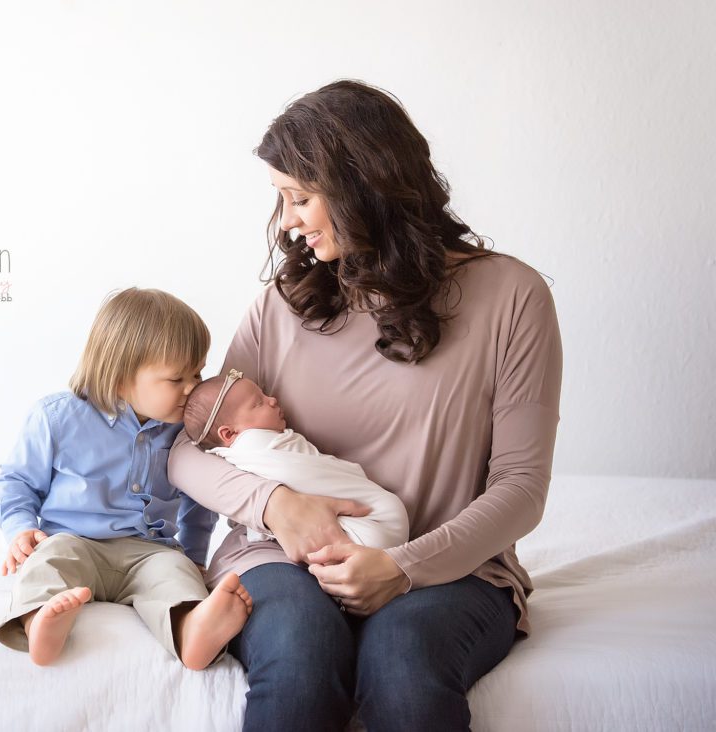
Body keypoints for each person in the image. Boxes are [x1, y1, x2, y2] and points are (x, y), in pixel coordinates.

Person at [168, 80, 562, 731]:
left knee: (404, 669)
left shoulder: (512, 298)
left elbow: (522, 486)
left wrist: (403, 568)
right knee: (298, 662)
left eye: (300, 197)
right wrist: (275, 506)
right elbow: (184, 448)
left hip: (450, 569)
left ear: (364, 186)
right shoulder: (284, 305)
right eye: (281, 200)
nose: (287, 221)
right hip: (278, 559)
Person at [0, 287, 253, 669]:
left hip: (149, 551)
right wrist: (19, 528)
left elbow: (200, 503)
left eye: (197, 372)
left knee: (175, 574)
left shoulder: (185, 434)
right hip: (76, 541)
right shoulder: (57, 418)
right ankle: (39, 623)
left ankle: (191, 630)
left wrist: (195, 557)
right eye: (176, 378)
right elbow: (15, 481)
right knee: (50, 561)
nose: (192, 388)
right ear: (120, 377)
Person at [182, 369, 409, 549]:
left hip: (370, 526)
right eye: (258, 403)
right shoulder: (252, 446)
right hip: (371, 525)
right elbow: (294, 473)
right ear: (229, 434)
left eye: (264, 395)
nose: (272, 400)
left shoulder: (268, 446)